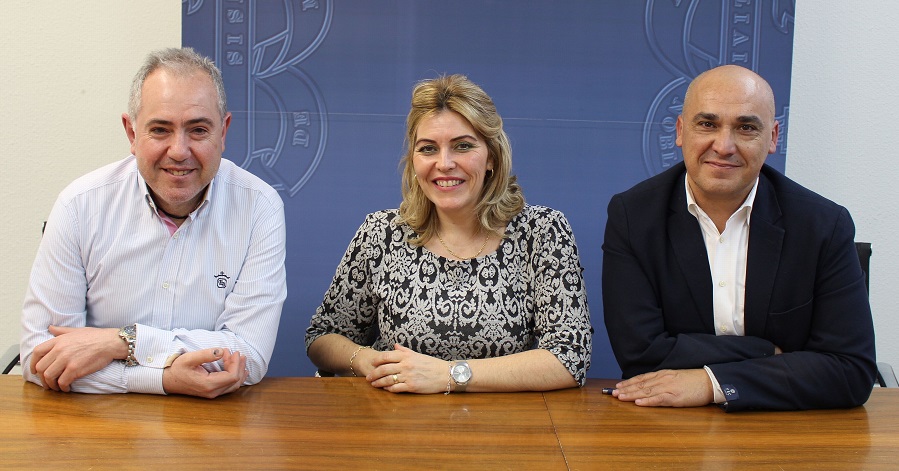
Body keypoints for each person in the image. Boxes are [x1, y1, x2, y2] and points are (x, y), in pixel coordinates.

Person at [602, 65, 876, 411]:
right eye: (708, 124)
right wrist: (767, 352)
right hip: (671, 433)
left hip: (791, 433)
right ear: (681, 131)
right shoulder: (634, 216)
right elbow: (641, 356)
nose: (724, 145)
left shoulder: (822, 224)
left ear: (773, 137)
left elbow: (850, 370)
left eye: (746, 128)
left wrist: (711, 382)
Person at [20, 47, 287, 398]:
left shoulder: (259, 207)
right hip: (94, 428)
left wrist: (120, 342)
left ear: (223, 132)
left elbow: (247, 356)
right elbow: (42, 359)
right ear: (132, 133)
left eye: (198, 130)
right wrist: (162, 379)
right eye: (160, 130)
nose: (179, 151)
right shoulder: (79, 205)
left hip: (211, 429)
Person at [306, 74, 592, 393]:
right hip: (395, 428)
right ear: (414, 161)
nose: (444, 163)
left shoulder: (542, 231)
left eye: (463, 146)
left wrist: (449, 375)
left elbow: (569, 358)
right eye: (428, 149)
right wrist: (362, 359)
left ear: (492, 158)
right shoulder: (381, 231)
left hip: (505, 430)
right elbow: (323, 336)